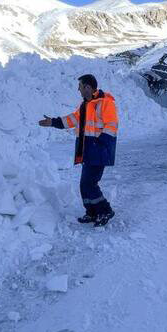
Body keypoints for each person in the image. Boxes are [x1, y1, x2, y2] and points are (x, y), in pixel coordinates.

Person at [38, 74, 118, 227]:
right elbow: (72, 120)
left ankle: (105, 210)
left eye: (80, 86)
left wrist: (99, 144)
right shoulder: (85, 105)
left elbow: (112, 125)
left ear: (88, 87)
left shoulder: (106, 103)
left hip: (98, 151)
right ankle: (92, 212)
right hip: (87, 150)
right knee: (84, 184)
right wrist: (53, 122)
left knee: (90, 183)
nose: (78, 90)